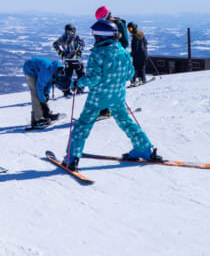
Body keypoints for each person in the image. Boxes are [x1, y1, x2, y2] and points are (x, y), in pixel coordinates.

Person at [62, 19, 162, 171]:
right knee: (125, 121)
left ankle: (72, 157)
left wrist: (77, 82)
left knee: (83, 125)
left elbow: (93, 78)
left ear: (101, 37)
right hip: (118, 95)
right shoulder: (123, 51)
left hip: (98, 98)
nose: (94, 38)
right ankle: (144, 148)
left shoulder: (98, 54)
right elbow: (130, 74)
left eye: (95, 35)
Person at [22, 57, 65, 129]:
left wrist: (46, 94)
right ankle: (37, 119)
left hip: (38, 70)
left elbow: (49, 83)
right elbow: (39, 87)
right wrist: (43, 98)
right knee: (35, 93)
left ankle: (46, 114)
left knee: (43, 94)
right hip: (29, 69)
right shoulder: (47, 73)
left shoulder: (57, 72)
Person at [52, 24, 86, 96]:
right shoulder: (68, 38)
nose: (73, 32)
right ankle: (70, 90)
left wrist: (79, 51)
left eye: (74, 31)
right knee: (72, 75)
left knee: (75, 74)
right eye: (71, 31)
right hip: (72, 60)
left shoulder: (70, 37)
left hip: (72, 59)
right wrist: (61, 53)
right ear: (67, 31)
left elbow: (82, 44)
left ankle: (75, 89)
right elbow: (55, 44)